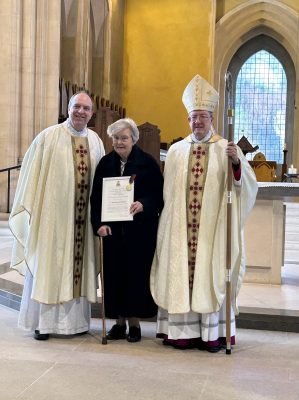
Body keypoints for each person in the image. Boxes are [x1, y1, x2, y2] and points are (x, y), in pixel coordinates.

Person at [150, 74, 258, 352]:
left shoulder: (226, 148)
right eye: (193, 117)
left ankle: (212, 335)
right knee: (181, 274)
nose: (197, 122)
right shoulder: (175, 151)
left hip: (212, 231)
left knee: (210, 277)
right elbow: (169, 195)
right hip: (181, 230)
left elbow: (243, 185)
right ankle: (182, 334)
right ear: (188, 120)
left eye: (203, 116)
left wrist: (236, 163)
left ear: (211, 119)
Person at [9, 91, 105, 340]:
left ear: (91, 113)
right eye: (76, 107)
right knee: (49, 265)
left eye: (85, 108)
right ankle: (44, 324)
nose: (80, 112)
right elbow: (31, 177)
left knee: (78, 267)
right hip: (53, 222)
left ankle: (76, 324)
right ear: (69, 108)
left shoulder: (95, 141)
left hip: (83, 223)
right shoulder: (48, 137)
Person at [90, 118, 163, 342]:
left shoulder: (148, 163)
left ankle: (135, 324)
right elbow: (96, 199)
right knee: (114, 276)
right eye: (116, 138)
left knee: (135, 276)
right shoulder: (104, 164)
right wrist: (98, 225)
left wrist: (144, 204)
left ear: (134, 139)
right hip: (113, 232)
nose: (119, 142)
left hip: (139, 232)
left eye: (124, 138)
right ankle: (118, 323)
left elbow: (159, 196)